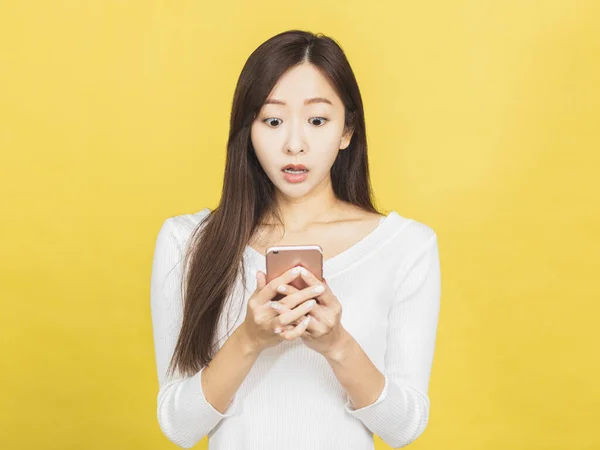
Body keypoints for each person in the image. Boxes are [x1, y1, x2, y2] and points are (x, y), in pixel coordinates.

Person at [150, 29, 441, 449]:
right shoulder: (188, 242)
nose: (293, 144)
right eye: (272, 120)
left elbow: (404, 428)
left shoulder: (405, 247)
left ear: (347, 131)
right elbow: (179, 426)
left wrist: (337, 344)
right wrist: (249, 339)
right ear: (247, 131)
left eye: (317, 120)